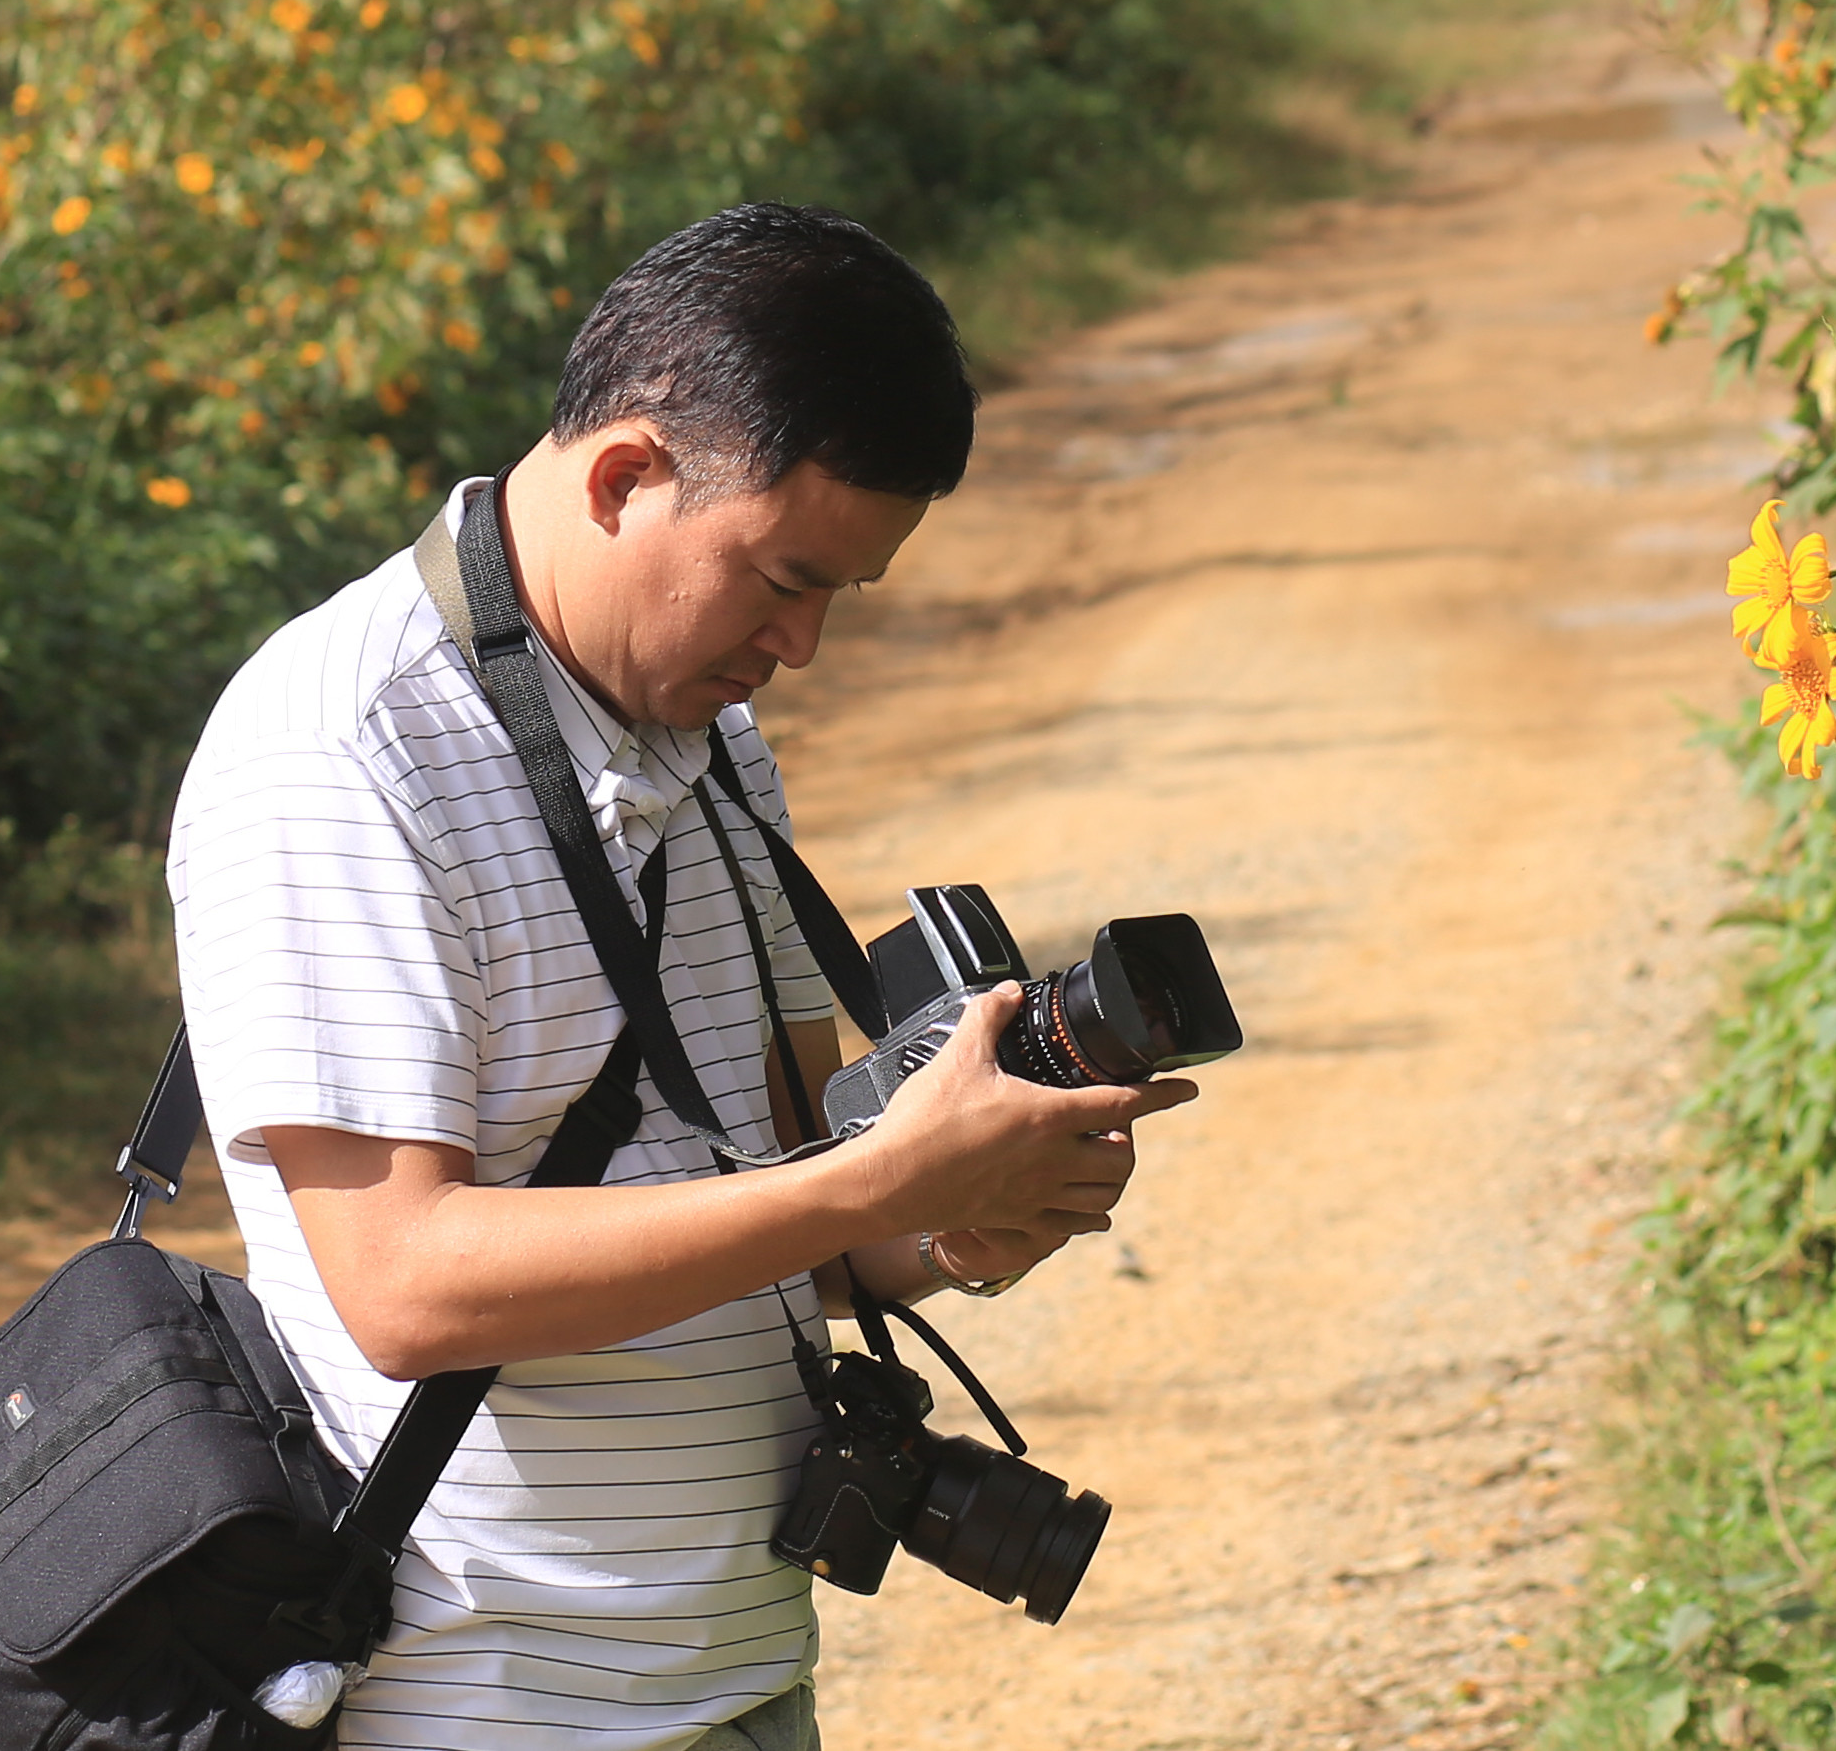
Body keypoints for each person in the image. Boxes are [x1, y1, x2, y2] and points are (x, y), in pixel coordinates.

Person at [166, 202, 1196, 1751]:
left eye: (844, 593)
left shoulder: (703, 739)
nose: (803, 645)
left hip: (728, 1673)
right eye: (783, 579)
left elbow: (792, 1204)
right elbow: (402, 1283)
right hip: (479, 1706)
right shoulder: (341, 745)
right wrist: (868, 1192)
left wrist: (970, 1214)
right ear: (627, 475)